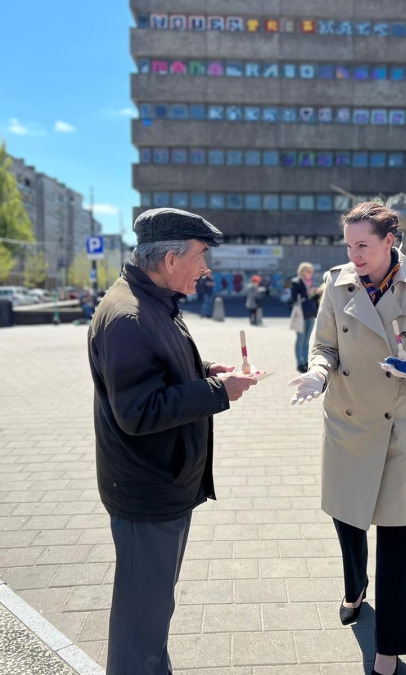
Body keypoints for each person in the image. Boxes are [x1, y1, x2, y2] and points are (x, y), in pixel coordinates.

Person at [87, 207, 258, 675]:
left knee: (152, 611)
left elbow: (159, 373)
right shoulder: (129, 317)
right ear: (169, 260)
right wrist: (218, 392)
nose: (206, 269)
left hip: (162, 483)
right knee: (141, 621)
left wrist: (207, 371)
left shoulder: (152, 301)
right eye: (201, 256)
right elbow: (138, 411)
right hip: (148, 490)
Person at [290, 202, 406, 675]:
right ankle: (355, 587)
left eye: (363, 245)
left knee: (400, 536)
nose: (354, 255)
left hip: (401, 424)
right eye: (349, 246)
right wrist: (317, 374)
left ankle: (389, 650)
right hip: (348, 420)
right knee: (348, 518)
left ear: (390, 241)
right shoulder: (336, 282)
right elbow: (324, 345)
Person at [290, 262, 322, 373]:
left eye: (312, 272)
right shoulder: (296, 282)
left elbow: (312, 299)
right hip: (301, 314)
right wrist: (307, 292)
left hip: (311, 313)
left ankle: (306, 362)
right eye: (308, 271)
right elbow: (294, 298)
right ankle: (300, 363)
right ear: (303, 271)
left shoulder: (311, 283)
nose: (311, 273)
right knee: (300, 339)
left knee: (308, 339)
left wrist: (317, 293)